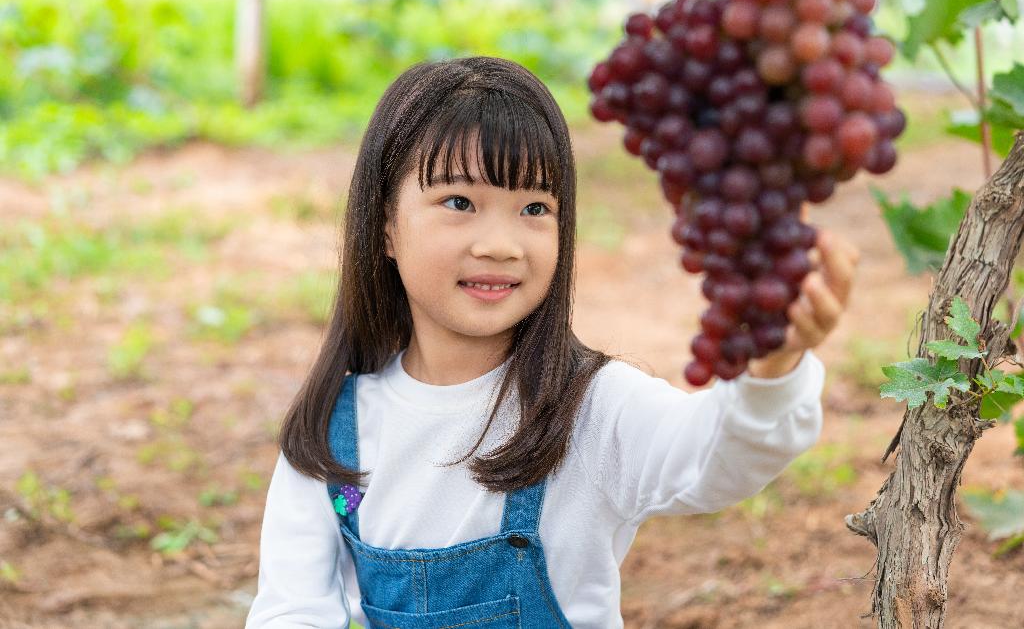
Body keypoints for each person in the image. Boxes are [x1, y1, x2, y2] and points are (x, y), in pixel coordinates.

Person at [244, 56, 858, 628]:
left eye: (535, 207)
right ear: (384, 226)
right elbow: (290, 611)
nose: (502, 244)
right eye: (460, 201)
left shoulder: (592, 408)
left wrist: (773, 369)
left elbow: (717, 458)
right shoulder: (336, 432)